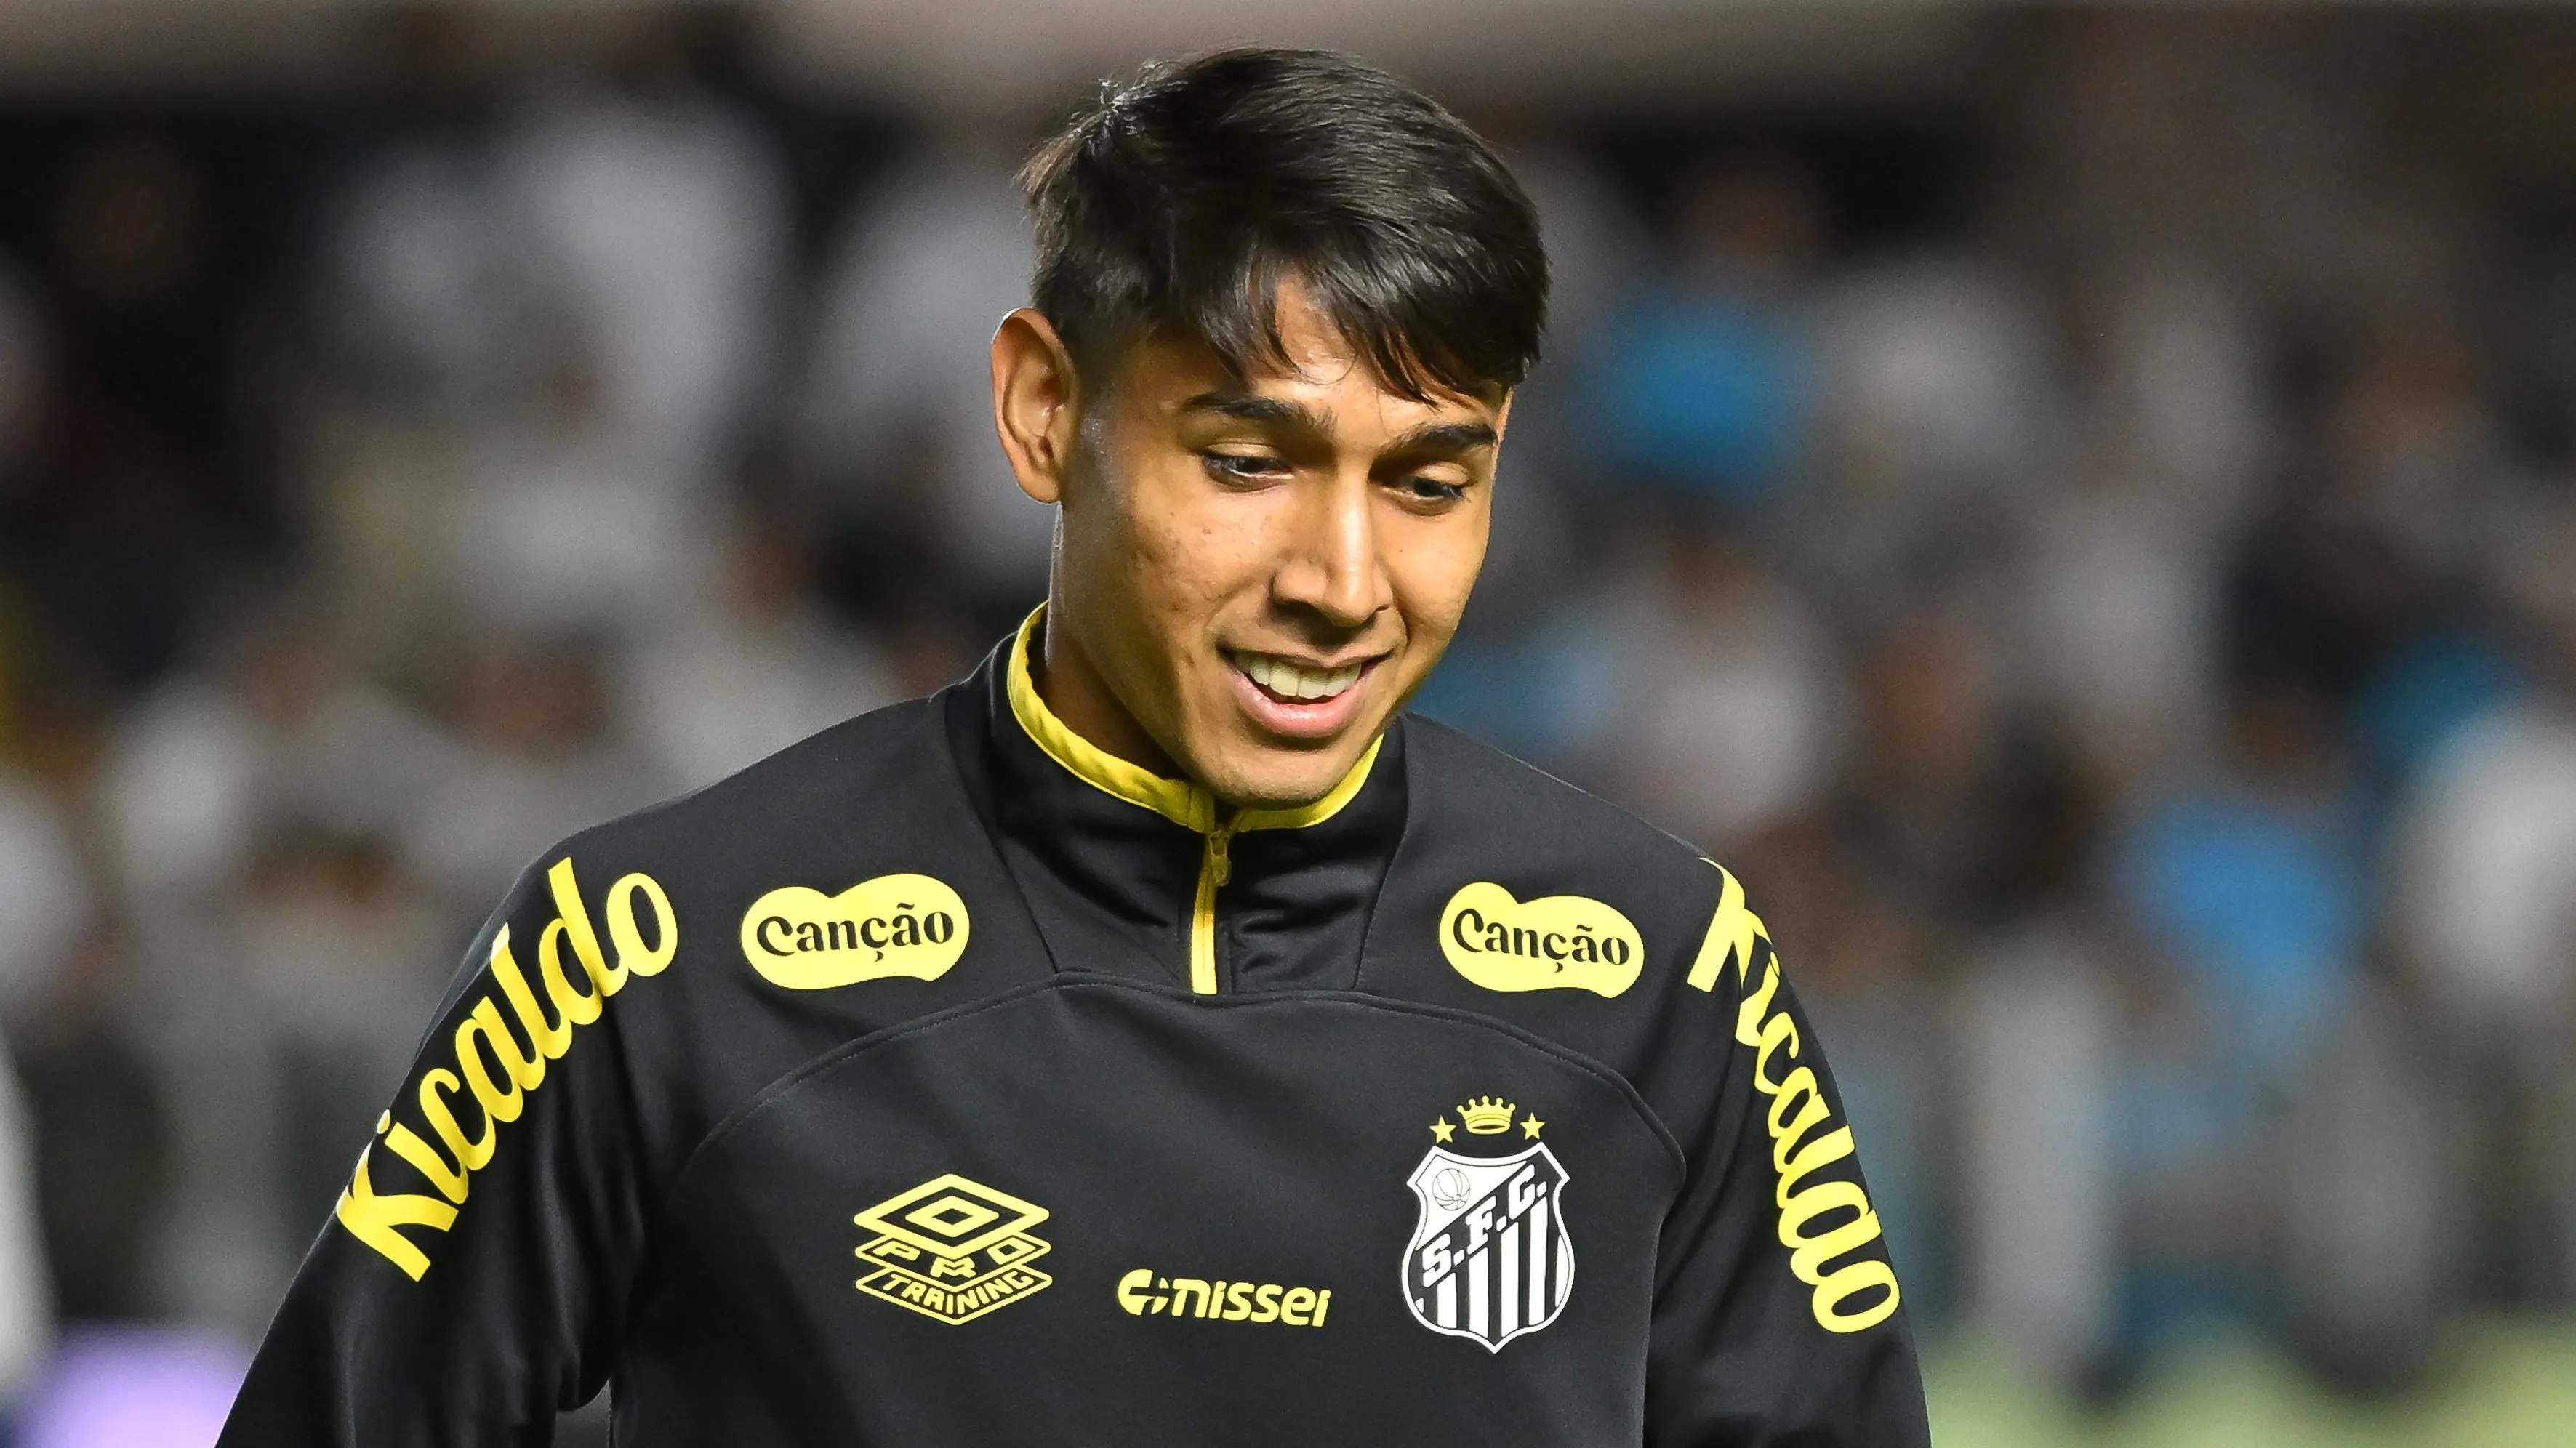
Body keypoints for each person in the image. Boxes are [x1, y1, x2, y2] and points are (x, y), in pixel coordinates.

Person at [220, 48, 1926, 1446]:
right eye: (1248, 462)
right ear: (1045, 411)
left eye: (1427, 482)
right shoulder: (654, 953)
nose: (1343, 583)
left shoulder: (1669, 975)